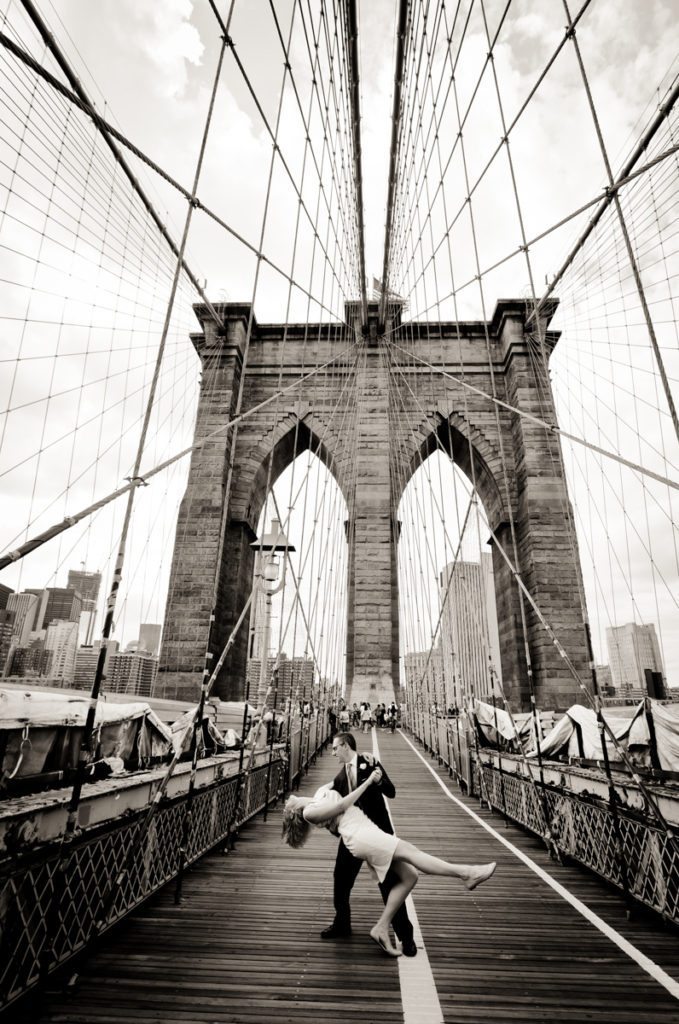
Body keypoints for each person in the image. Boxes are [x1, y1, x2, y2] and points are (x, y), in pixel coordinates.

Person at [282, 766, 496, 956]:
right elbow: (342, 806)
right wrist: (367, 782)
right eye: (289, 804)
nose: (291, 798)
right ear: (295, 811)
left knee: (410, 876)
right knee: (413, 855)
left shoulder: (318, 795)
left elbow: (343, 775)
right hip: (360, 835)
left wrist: (362, 762)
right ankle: (467, 873)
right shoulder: (310, 812)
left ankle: (382, 927)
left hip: (366, 830)